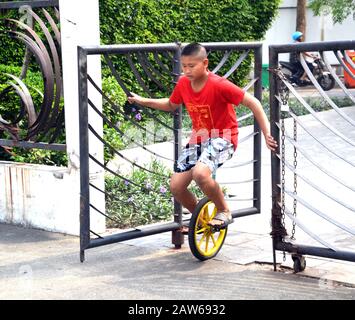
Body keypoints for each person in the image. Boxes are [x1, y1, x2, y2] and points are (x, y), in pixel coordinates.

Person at [127, 42, 277, 230]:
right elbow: (171, 104)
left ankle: (224, 211)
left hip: (224, 137)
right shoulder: (183, 83)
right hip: (199, 138)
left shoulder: (219, 85)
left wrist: (267, 133)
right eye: (184, 66)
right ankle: (202, 218)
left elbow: (254, 103)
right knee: (176, 186)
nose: (187, 70)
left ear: (205, 63)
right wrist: (143, 100)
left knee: (200, 173)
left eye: (192, 66)